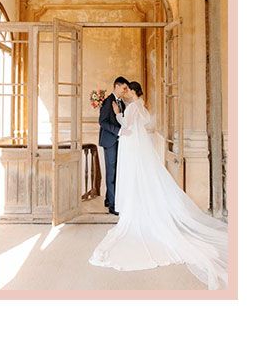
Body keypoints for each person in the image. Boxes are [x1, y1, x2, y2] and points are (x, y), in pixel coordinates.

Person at [89, 81, 229, 289]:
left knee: (130, 176)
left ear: (133, 91)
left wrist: (119, 113)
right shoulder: (137, 105)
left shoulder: (132, 106)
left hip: (130, 146)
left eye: (128, 89)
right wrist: (120, 114)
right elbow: (133, 124)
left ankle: (132, 208)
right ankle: (124, 203)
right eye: (123, 88)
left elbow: (126, 126)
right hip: (130, 145)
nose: (125, 92)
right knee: (127, 176)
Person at [96, 77, 130, 215]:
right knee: (111, 173)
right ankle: (113, 206)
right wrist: (118, 131)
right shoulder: (107, 102)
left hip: (119, 141)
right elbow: (102, 122)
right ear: (117, 86)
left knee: (116, 171)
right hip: (110, 141)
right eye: (124, 88)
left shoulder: (121, 102)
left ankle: (108, 199)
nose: (125, 91)